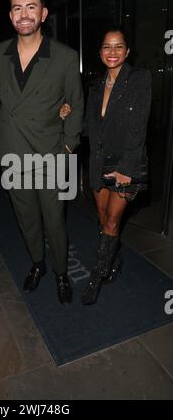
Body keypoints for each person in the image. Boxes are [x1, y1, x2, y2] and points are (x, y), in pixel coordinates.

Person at [0, 0, 84, 305]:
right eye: (17, 8)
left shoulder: (65, 57)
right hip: (13, 155)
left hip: (51, 156)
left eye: (31, 7)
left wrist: (69, 146)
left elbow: (76, 103)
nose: (24, 14)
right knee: (25, 218)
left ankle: (60, 271)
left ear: (43, 14)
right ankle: (37, 264)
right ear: (11, 15)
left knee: (54, 220)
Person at [81, 27, 151, 305]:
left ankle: (97, 274)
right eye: (107, 47)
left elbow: (139, 127)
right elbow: (89, 128)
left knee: (111, 219)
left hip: (125, 164)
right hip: (99, 164)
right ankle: (113, 258)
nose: (112, 52)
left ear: (127, 51)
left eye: (118, 46)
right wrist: (67, 114)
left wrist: (127, 167)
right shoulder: (96, 87)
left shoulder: (139, 79)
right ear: (100, 53)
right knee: (103, 217)